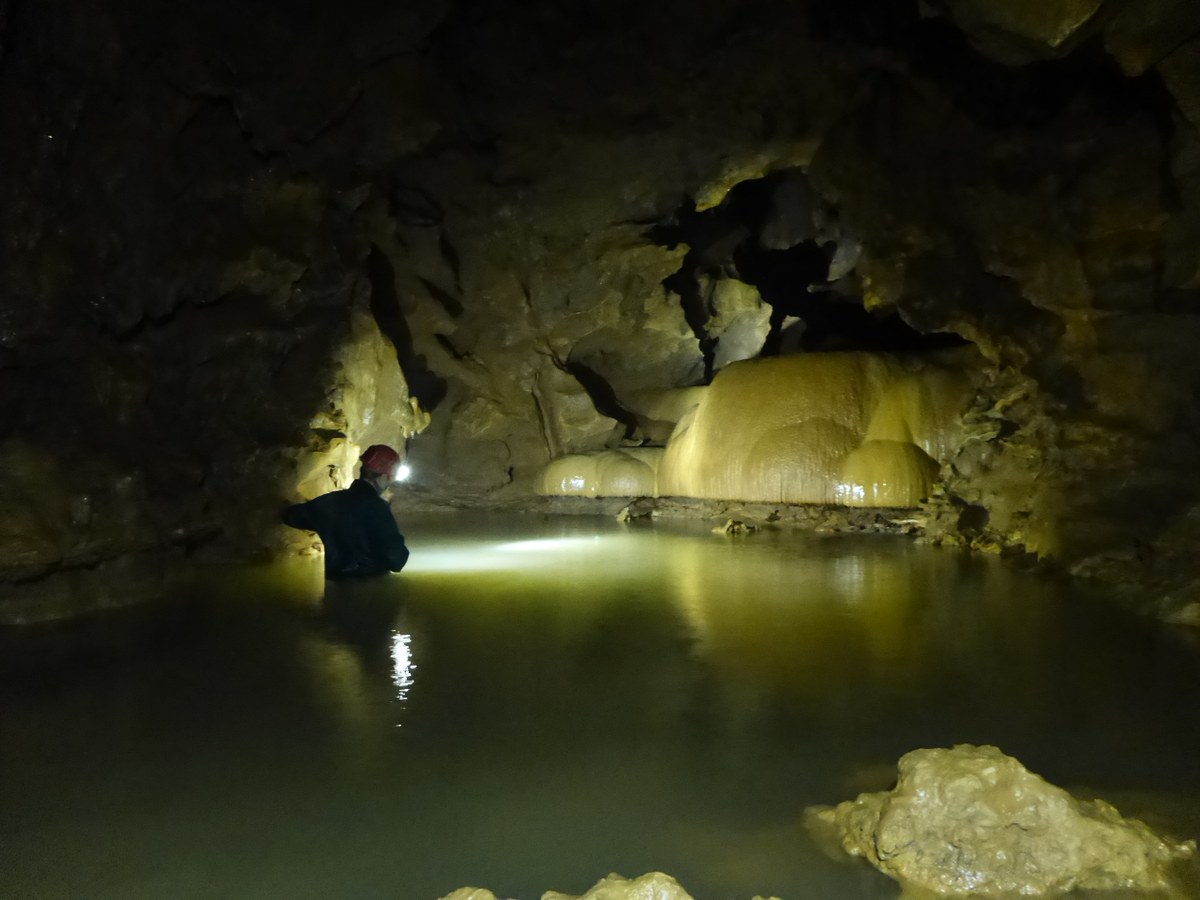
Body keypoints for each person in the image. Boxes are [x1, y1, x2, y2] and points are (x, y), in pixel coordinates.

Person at [282, 444, 410, 578]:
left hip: (335, 590)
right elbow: (397, 560)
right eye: (390, 479)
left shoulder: (329, 502)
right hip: (372, 591)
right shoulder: (379, 509)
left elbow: (290, 516)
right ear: (383, 477)